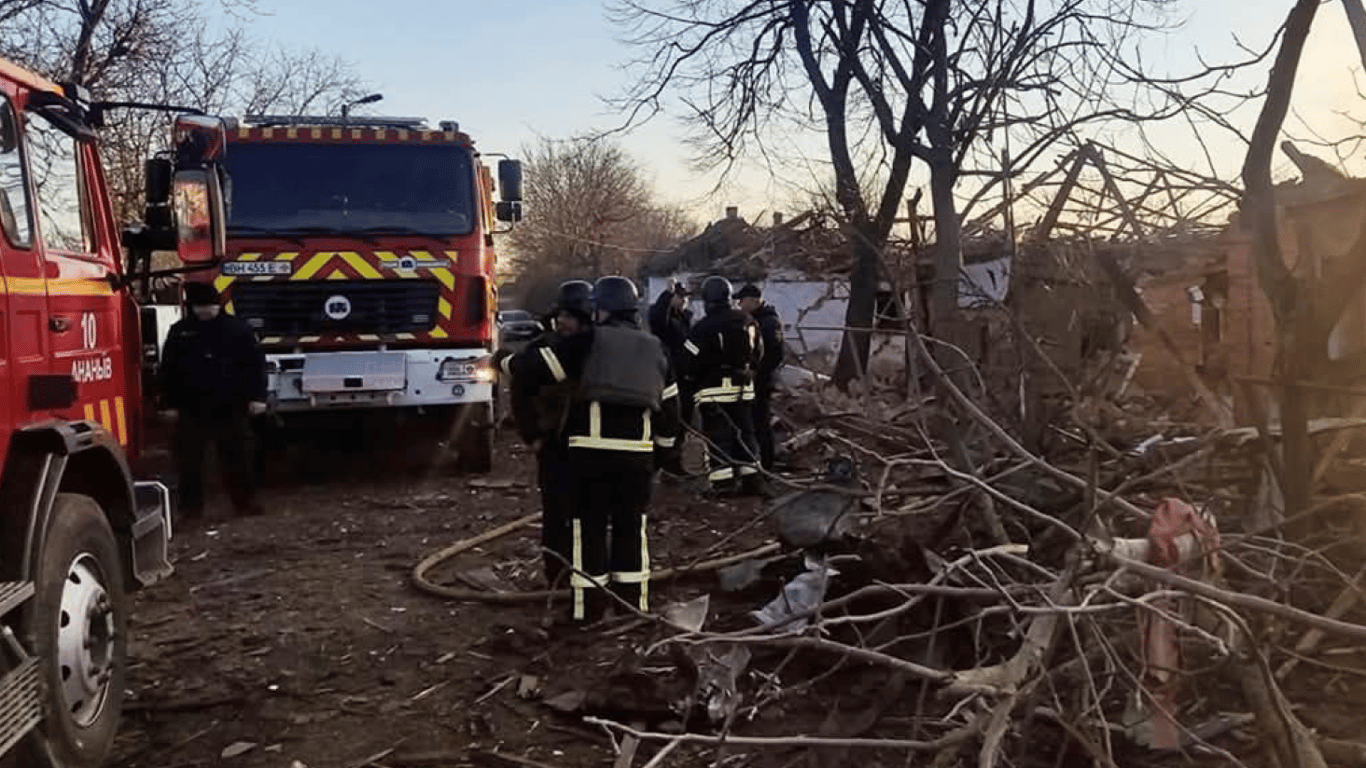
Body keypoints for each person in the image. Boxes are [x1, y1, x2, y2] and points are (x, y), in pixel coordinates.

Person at [501, 276, 680, 624]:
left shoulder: (587, 341)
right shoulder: (656, 347)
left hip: (590, 455)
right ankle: (633, 606)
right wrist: (659, 456)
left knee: (590, 530)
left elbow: (532, 370)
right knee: (631, 529)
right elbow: (671, 413)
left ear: (601, 311)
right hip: (638, 457)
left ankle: (588, 611)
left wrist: (502, 361)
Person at [496, 279, 593, 589]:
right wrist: (532, 436)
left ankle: (589, 573)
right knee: (556, 514)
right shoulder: (545, 348)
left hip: (593, 442)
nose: (562, 321)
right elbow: (521, 392)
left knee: (589, 512)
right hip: (555, 444)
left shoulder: (599, 346)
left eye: (570, 315)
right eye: (560, 315)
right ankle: (558, 578)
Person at [157, 282, 268, 520]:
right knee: (189, 462)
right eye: (199, 307)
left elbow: (255, 366)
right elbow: (168, 369)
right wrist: (168, 403)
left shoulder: (238, 330)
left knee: (238, 458)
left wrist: (258, 398)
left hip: (232, 405)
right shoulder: (180, 331)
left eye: (208, 306)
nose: (204, 311)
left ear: (218, 305)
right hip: (192, 407)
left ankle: (245, 503)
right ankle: (190, 509)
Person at [680, 276, 763, 496]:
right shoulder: (748, 321)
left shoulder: (703, 327)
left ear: (708, 300)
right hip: (744, 390)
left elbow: (688, 361)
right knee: (746, 434)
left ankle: (723, 483)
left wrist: (690, 381)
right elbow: (759, 353)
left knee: (719, 437)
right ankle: (752, 479)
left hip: (712, 390)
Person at [648, 280, 694, 473]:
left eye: (686, 297)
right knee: (669, 421)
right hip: (670, 376)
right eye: (680, 297)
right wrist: (666, 295)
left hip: (685, 377)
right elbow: (657, 317)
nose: (684, 301)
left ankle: (674, 462)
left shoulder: (683, 320)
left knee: (682, 422)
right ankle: (663, 462)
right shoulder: (665, 321)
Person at [737, 284, 784, 471]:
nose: (739, 304)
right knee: (753, 423)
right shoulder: (755, 320)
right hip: (754, 380)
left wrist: (757, 373)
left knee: (761, 423)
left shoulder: (768, 322)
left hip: (761, 382)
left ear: (752, 301)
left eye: (742, 300)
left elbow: (774, 355)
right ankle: (757, 461)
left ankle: (766, 464)